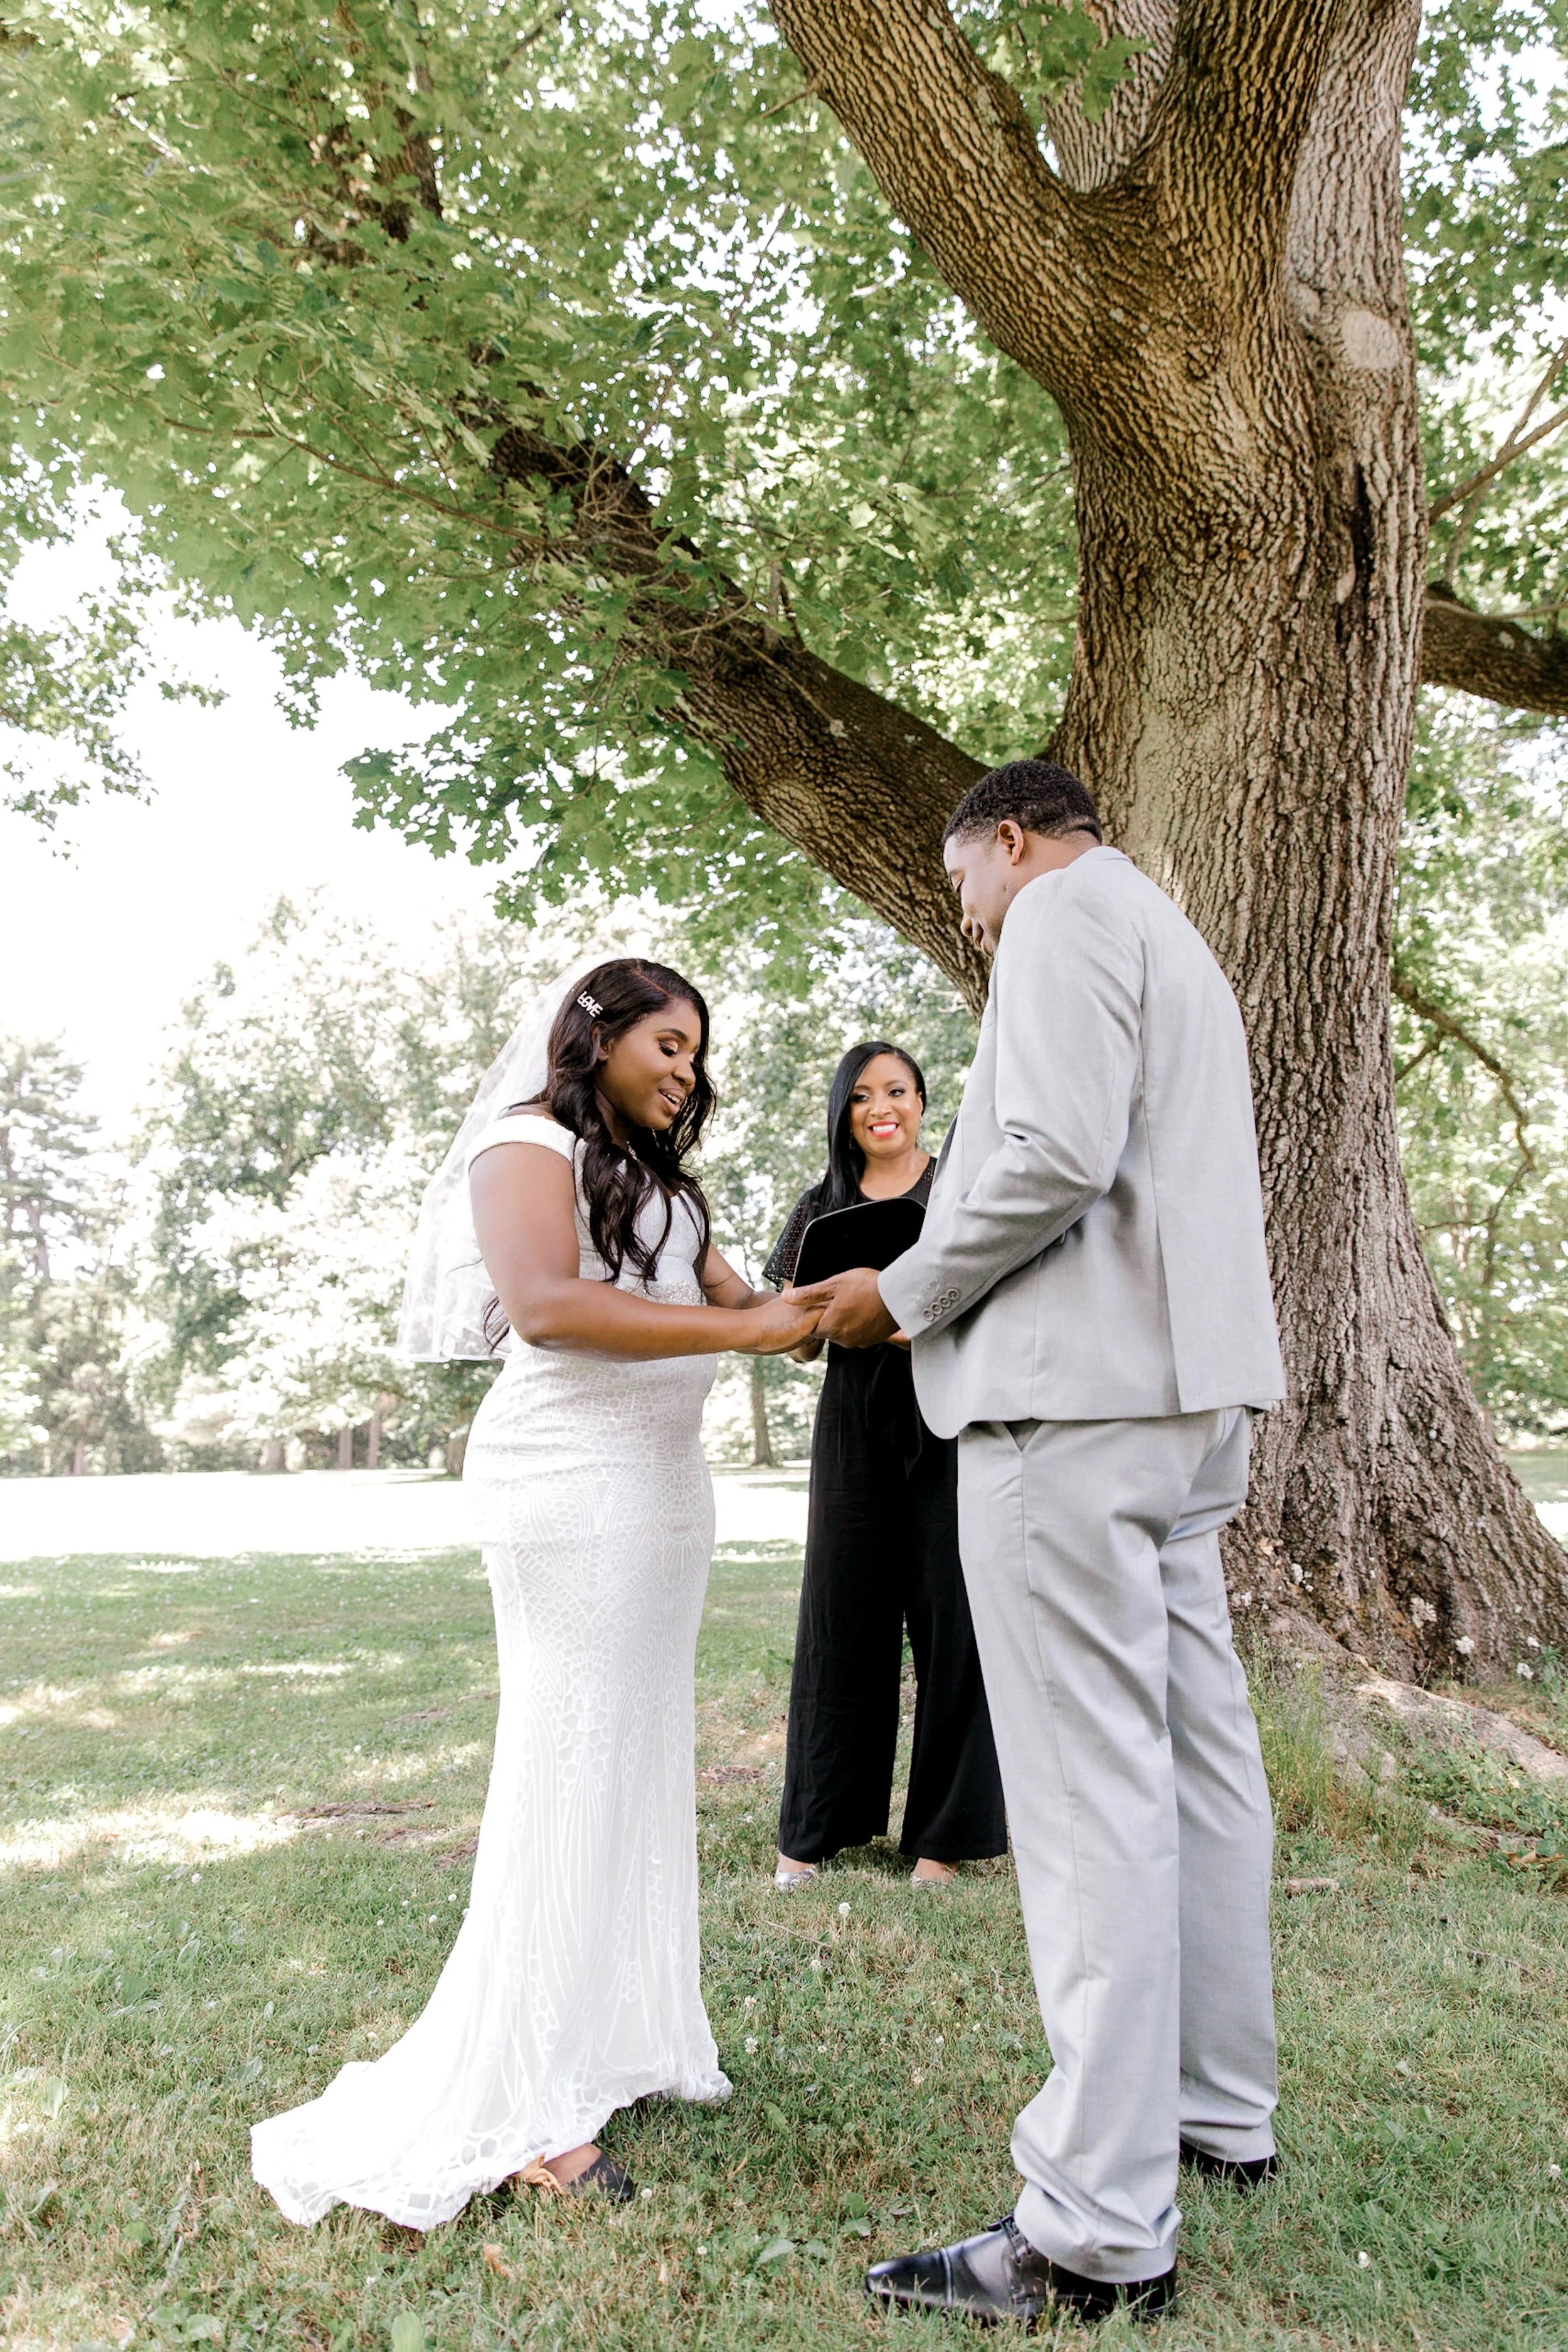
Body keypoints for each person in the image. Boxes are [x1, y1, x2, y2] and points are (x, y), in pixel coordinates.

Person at [790, 762, 1286, 2326]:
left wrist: (906, 1291)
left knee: (1084, 1797)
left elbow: (1055, 1153)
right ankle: (1219, 2109)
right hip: (1187, 1399)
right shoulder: (1174, 938)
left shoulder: (1067, 914)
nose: (972, 924)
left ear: (1010, 841)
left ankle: (1090, 2221)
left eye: (963, 892)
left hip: (1070, 1411)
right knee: (1200, 1762)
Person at [251, 957, 818, 2230]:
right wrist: (748, 1335)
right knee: (570, 1761)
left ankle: (610, 2037)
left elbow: (747, 1302)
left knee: (630, 1762)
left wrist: (837, 1303)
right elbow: (550, 1309)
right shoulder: (522, 1145)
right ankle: (529, 2112)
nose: (685, 1068)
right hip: (568, 1490)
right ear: (596, 1033)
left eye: (695, 1051)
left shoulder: (659, 1182)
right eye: (665, 1043)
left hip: (666, 1494)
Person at [765, 1042, 1006, 1892]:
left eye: (897, 1090)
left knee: (954, 1621)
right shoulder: (818, 1204)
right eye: (864, 1094)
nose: (882, 1106)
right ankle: (815, 1831)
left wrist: (895, 1314)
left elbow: (987, 1304)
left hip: (945, 1414)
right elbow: (789, 1336)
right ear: (845, 1109)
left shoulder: (957, 1189)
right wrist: (809, 1318)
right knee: (840, 1618)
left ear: (920, 1100)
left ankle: (942, 1841)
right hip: (852, 1424)